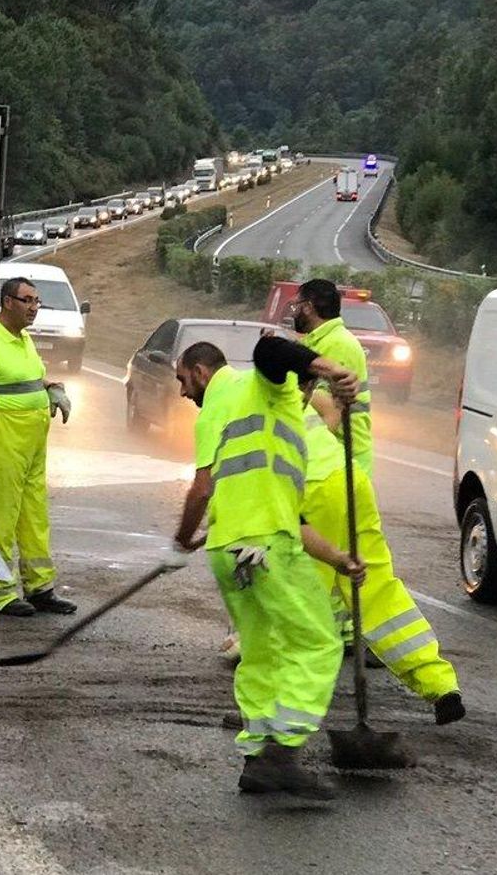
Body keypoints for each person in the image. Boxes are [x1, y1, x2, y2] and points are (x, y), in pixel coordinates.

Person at [166, 338, 361, 799]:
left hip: (230, 549)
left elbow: (291, 515)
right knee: (318, 642)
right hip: (265, 549)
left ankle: (256, 757)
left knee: (261, 652)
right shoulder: (259, 388)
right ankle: (282, 752)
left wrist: (337, 558)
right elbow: (270, 349)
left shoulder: (266, 415)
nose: (181, 392)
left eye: (180, 380)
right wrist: (333, 367)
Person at [302, 391, 465, 725]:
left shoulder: (234, 405)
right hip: (344, 476)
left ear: (201, 375)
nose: (186, 394)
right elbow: (330, 408)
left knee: (298, 597)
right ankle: (440, 683)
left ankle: (276, 709)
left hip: (309, 488)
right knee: (376, 585)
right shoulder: (287, 387)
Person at [0, 277, 75, 617]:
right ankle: (2, 594)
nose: (34, 307)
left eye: (37, 301)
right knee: (1, 518)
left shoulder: (23, 340)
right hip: (3, 439)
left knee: (34, 517)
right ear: (8, 302)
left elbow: (31, 378)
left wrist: (51, 388)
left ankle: (40, 588)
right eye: (27, 300)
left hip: (33, 443)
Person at [291, 279, 372, 475]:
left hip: (341, 459)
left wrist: (304, 455)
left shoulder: (337, 343)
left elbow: (328, 412)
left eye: (296, 306)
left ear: (308, 307)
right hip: (332, 457)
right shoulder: (320, 341)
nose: (294, 312)